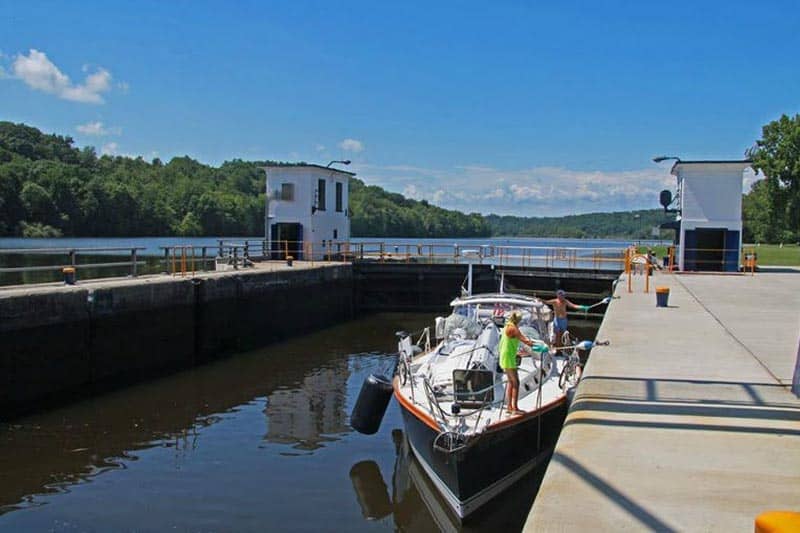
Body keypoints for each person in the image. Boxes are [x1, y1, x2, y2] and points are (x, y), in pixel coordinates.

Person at [498, 311, 536, 415]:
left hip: (506, 356)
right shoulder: (514, 329)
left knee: (511, 382)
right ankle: (515, 408)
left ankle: (510, 407)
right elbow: (525, 340)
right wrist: (539, 346)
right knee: (516, 382)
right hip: (509, 357)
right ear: (518, 320)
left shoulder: (507, 326)